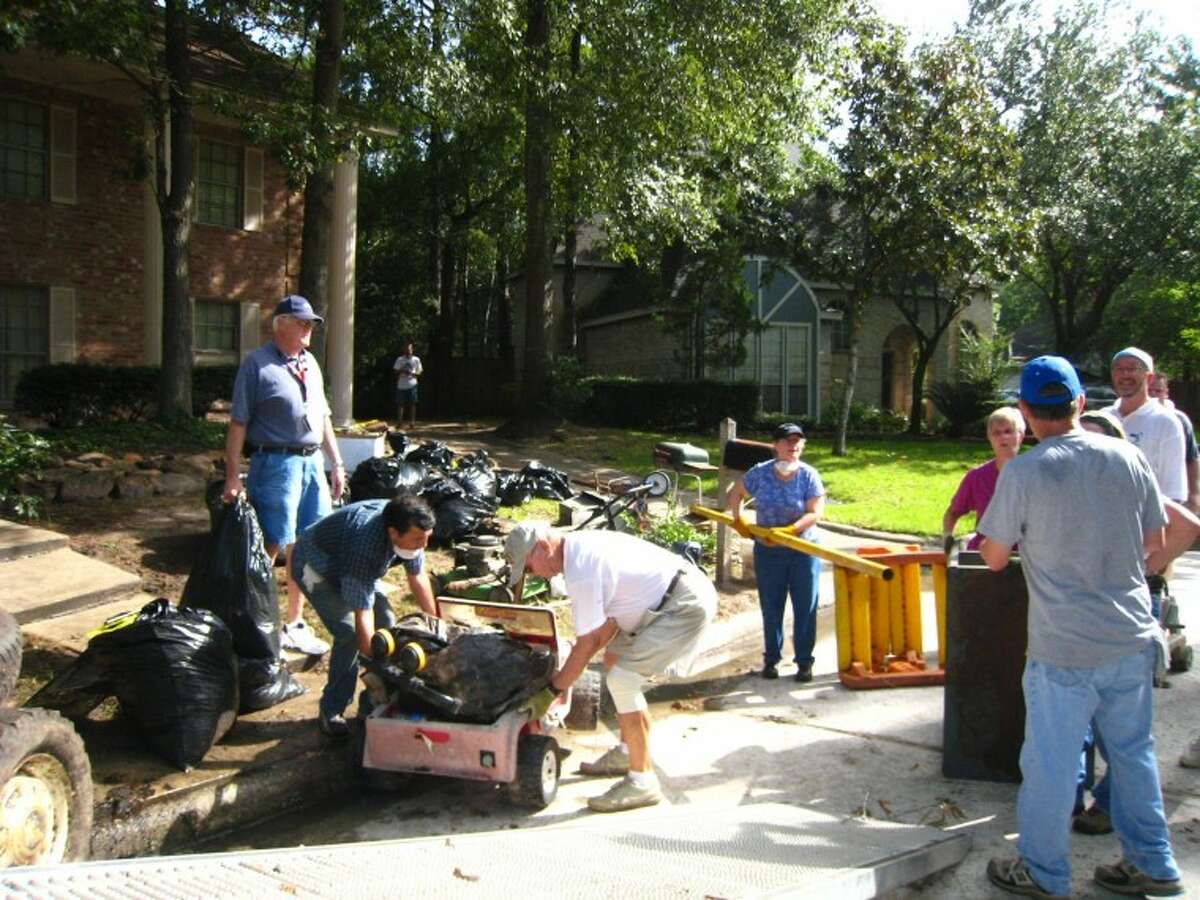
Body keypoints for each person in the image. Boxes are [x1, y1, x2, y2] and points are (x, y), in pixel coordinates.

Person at [978, 355, 1182, 899]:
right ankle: (1155, 866)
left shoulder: (1023, 471)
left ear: (1025, 412)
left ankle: (1043, 872)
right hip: (1131, 636)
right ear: (1080, 404)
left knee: (1050, 762)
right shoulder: (1129, 457)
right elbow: (1156, 546)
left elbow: (994, 557)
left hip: (1063, 648)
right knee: (1133, 754)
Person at [505, 522, 716, 812]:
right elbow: (603, 629)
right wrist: (566, 674)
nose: (533, 576)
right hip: (656, 602)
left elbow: (589, 641)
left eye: (529, 568)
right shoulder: (575, 549)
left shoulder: (581, 569)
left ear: (542, 547)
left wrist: (553, 689)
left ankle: (642, 782)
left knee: (623, 681)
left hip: (682, 605)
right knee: (614, 660)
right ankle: (627, 751)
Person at [223, 294, 343, 658]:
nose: (309, 328)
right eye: (303, 322)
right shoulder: (257, 366)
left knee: (307, 545)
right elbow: (238, 423)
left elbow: (322, 418)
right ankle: (255, 623)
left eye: (312, 323)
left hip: (310, 465)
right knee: (272, 545)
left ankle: (294, 623)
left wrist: (336, 463)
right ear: (281, 325)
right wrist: (232, 476)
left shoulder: (311, 364)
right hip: (274, 465)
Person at [292, 496, 437, 737]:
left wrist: (435, 624)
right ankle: (332, 710)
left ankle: (371, 705)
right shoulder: (365, 545)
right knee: (349, 634)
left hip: (353, 566)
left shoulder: (412, 529)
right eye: (417, 540)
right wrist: (375, 667)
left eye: (427, 539)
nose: (423, 545)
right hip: (317, 565)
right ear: (393, 533)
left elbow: (418, 578)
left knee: (388, 627)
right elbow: (363, 614)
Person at [727, 422, 825, 682]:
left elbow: (815, 511)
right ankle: (771, 660)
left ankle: (804, 663)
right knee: (772, 606)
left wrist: (793, 529)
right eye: (787, 441)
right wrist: (740, 520)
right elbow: (736, 493)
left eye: (797, 441)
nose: (793, 446)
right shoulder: (760, 473)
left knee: (805, 606)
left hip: (802, 550)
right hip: (769, 551)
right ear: (776, 445)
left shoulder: (808, 475)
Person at [1107, 347, 1187, 503]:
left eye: (1132, 369)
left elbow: (1174, 492)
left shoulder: (1166, 422)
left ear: (1149, 377)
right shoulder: (1104, 418)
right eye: (1119, 369)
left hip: (1145, 523)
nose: (1125, 375)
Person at [942, 407, 1025, 550]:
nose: (1003, 437)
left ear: (1021, 435)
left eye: (1008, 431)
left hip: (1027, 557)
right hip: (983, 557)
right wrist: (947, 537)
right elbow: (953, 512)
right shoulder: (977, 477)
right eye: (996, 433)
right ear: (990, 438)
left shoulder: (1035, 475)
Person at [1149, 372, 1200, 513]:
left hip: (1172, 494)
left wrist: (1194, 495)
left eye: (1158, 391)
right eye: (1149, 390)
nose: (1153, 394)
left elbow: (1192, 459)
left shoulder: (1179, 419)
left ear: (1166, 393)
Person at [393, 342, 423, 427]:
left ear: (412, 350)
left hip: (412, 384)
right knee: (400, 404)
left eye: (409, 349)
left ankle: (412, 422)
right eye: (406, 349)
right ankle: (399, 422)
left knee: (412, 404)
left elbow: (420, 371)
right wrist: (402, 370)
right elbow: (395, 371)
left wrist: (412, 373)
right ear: (404, 350)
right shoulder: (400, 359)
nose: (407, 351)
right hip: (401, 385)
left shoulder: (416, 359)